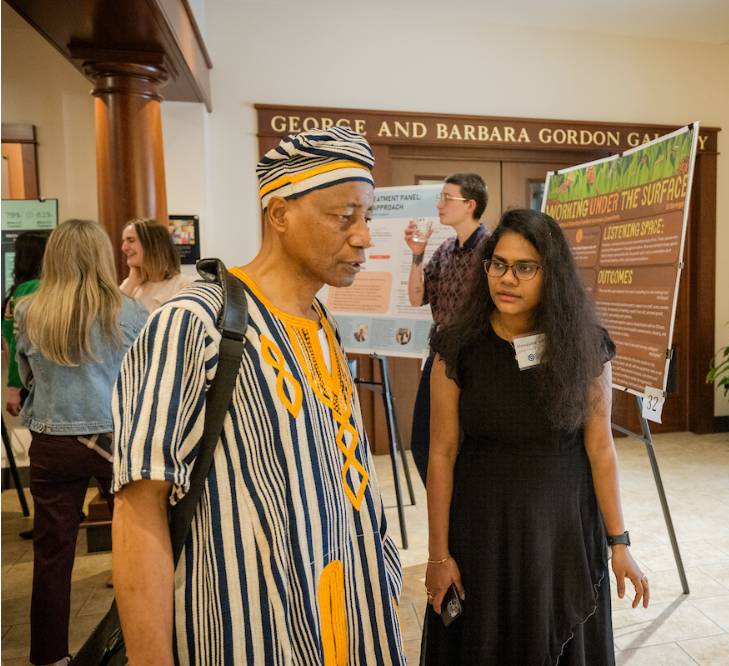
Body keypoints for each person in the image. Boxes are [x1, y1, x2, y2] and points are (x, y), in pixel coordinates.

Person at [112, 128, 406, 664]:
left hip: (349, 616)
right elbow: (140, 504)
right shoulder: (194, 322)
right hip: (250, 629)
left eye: (367, 217)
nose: (364, 237)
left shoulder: (322, 321)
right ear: (279, 214)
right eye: (344, 217)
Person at [422, 209, 650, 664]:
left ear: (552, 273)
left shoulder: (585, 345)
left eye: (525, 267)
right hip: (483, 530)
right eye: (499, 264)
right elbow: (441, 453)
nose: (508, 279)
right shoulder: (456, 347)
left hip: (562, 530)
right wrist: (438, 555)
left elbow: (600, 448)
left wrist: (619, 543)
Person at [14, 219, 147, 666]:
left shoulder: (29, 310)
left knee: (52, 556)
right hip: (116, 442)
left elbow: (28, 378)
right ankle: (140, 646)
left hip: (52, 443)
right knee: (137, 547)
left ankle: (49, 657)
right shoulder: (130, 312)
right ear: (100, 255)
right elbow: (142, 380)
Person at [405, 173, 490, 483]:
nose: (439, 205)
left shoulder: (490, 249)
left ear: (470, 205)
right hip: (441, 353)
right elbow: (416, 298)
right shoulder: (445, 249)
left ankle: (463, 504)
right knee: (423, 442)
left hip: (476, 358)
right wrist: (417, 254)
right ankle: (443, 501)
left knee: (465, 444)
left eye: (446, 198)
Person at [3, 231, 48, 416]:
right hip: (43, 381)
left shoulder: (20, 291)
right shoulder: (37, 289)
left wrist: (13, 387)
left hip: (27, 380)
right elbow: (16, 342)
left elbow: (12, 342)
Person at [119, 218, 193, 312]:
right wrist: (130, 283)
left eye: (131, 240)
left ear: (154, 245)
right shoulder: (131, 284)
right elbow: (109, 316)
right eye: (124, 241)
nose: (124, 248)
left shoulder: (184, 286)